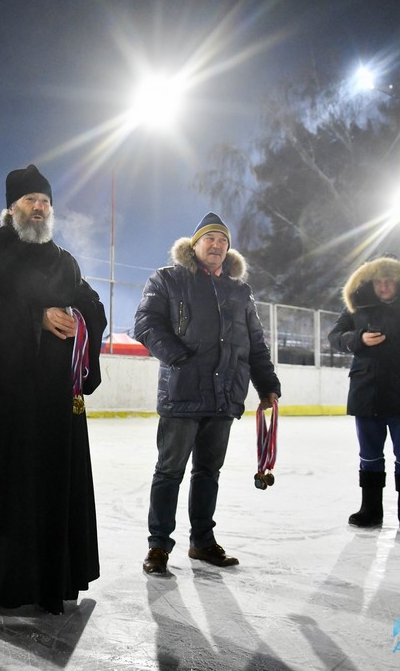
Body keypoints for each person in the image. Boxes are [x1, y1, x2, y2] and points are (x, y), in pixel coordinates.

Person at [0, 164, 107, 615]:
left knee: (52, 490)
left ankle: (52, 581)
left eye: (45, 202)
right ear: (11, 208)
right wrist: (38, 318)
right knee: (3, 489)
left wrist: (79, 320)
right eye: (30, 200)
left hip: (55, 399)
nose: (39, 208)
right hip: (4, 398)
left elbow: (92, 306)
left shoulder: (64, 259)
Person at [132, 212, 280, 575]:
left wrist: (268, 386)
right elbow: (146, 323)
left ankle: (202, 542)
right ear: (194, 245)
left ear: (229, 250)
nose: (216, 245)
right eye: (209, 239)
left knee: (208, 472)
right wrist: (178, 356)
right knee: (169, 472)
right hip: (182, 392)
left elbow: (255, 344)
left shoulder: (239, 291)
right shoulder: (167, 280)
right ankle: (158, 546)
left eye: (223, 241)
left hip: (225, 395)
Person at [328, 255, 400, 536]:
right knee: (369, 455)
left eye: (389, 280)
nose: (383, 287)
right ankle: (370, 510)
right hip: (366, 392)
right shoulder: (358, 304)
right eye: (378, 281)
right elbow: (335, 336)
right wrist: (357, 339)